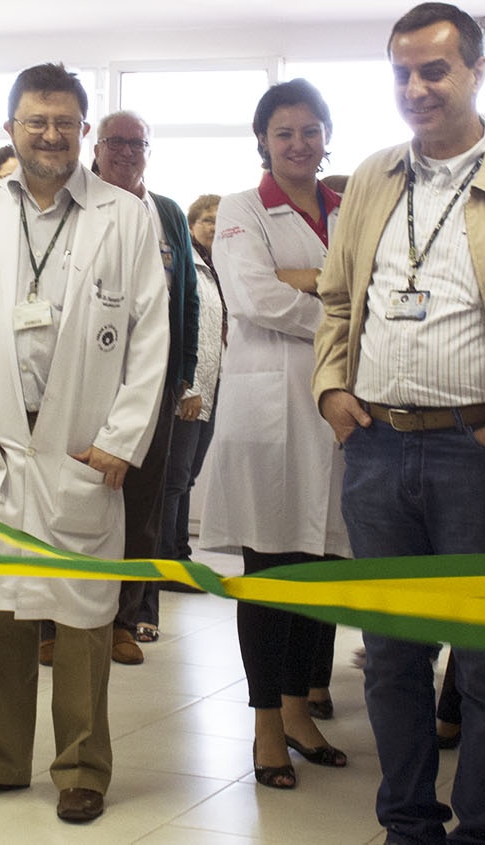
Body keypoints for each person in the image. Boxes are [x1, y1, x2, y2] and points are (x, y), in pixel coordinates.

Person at [316, 3, 485, 843]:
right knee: (392, 656)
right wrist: (331, 390)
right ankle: (408, 825)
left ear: (476, 71)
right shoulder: (372, 175)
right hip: (377, 446)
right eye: (403, 73)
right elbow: (334, 299)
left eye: (436, 70)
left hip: (479, 449)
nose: (417, 88)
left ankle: (484, 829)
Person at [0, 63, 169, 825]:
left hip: (80, 445)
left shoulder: (126, 215)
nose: (51, 135)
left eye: (64, 122)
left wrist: (123, 437)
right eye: (36, 122)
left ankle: (83, 767)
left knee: (85, 615)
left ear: (83, 131)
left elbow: (149, 338)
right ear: (11, 130)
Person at [199, 78, 350, 790]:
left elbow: (372, 288)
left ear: (326, 138)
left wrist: (308, 281)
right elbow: (254, 297)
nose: (298, 144)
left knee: (316, 566)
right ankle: (264, 723)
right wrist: (337, 306)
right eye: (284, 132)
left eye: (310, 131)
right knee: (268, 570)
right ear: (263, 140)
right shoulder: (241, 208)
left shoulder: (347, 208)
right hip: (266, 412)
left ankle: (298, 708)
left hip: (331, 410)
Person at [91, 110, 199, 654]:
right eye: (116, 142)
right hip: (86, 379)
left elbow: (189, 300)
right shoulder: (79, 204)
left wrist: (183, 374)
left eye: (138, 143)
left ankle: (123, 621)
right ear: (97, 146)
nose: (127, 152)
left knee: (142, 504)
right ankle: (60, 620)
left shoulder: (168, 213)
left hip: (153, 381)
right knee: (80, 499)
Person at [159, 193, 226, 581]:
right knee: (174, 478)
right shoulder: (189, 267)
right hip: (190, 389)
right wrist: (188, 387)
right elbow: (187, 331)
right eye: (207, 220)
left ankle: (180, 552)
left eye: (222, 221)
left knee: (188, 476)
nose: (214, 228)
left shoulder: (218, 269)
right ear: (190, 224)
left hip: (214, 388)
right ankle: (169, 559)